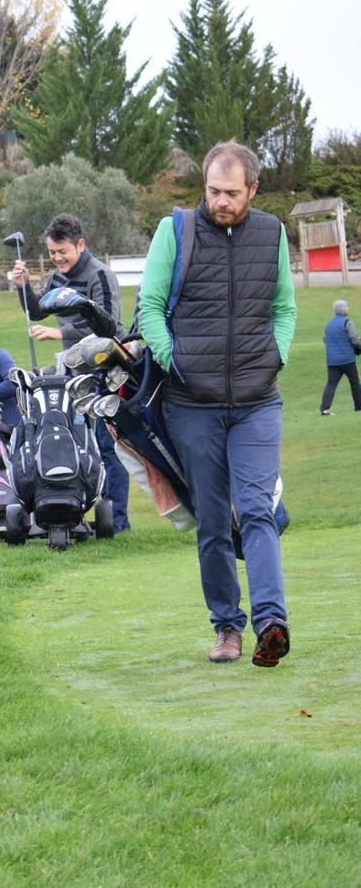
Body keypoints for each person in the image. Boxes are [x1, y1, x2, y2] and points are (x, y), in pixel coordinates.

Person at [138, 140, 296, 667]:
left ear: (252, 189)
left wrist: (278, 353)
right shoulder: (175, 230)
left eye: (231, 193)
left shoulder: (272, 233)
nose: (220, 202)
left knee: (257, 509)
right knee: (211, 520)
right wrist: (173, 357)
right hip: (192, 404)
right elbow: (150, 307)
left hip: (257, 400)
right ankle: (226, 627)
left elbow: (284, 306)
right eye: (212, 191)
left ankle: (271, 623)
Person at [12, 213, 129, 532]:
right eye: (51, 252)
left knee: (107, 443)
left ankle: (117, 522)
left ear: (80, 244)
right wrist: (23, 287)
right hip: (71, 371)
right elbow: (37, 310)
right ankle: (72, 510)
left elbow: (110, 325)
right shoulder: (57, 277)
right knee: (74, 437)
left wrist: (60, 334)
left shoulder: (100, 275)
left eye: (62, 251)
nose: (57, 258)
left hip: (107, 369)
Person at [320, 299, 361, 415]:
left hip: (332, 361)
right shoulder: (348, 322)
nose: (348, 309)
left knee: (331, 384)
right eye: (346, 307)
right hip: (347, 359)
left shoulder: (328, 324)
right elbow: (354, 340)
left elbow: (326, 340)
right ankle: (359, 407)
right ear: (343, 309)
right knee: (355, 383)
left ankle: (324, 409)